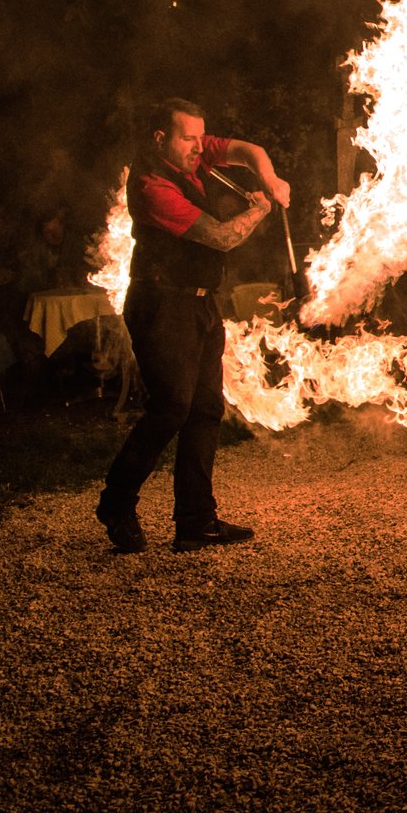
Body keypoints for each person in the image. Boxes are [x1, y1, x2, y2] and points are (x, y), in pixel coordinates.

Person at [95, 98, 289, 554]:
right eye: (188, 138)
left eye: (201, 138)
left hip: (201, 304)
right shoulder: (150, 185)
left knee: (205, 409)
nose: (199, 148)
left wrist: (271, 178)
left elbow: (248, 150)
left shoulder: (193, 155)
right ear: (161, 138)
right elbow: (220, 237)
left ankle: (196, 521)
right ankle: (116, 502)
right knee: (171, 408)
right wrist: (260, 210)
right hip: (162, 304)